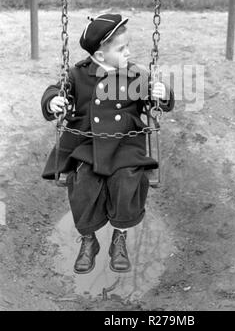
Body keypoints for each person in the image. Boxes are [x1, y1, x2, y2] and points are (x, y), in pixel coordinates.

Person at [41, 14, 174, 274]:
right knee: (83, 184)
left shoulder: (135, 75)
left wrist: (163, 93)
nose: (129, 52)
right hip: (87, 144)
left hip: (125, 144)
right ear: (100, 56)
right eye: (121, 49)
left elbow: (157, 100)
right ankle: (89, 240)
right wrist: (52, 101)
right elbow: (54, 90)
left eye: (128, 47)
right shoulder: (78, 74)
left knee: (127, 180)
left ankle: (119, 237)